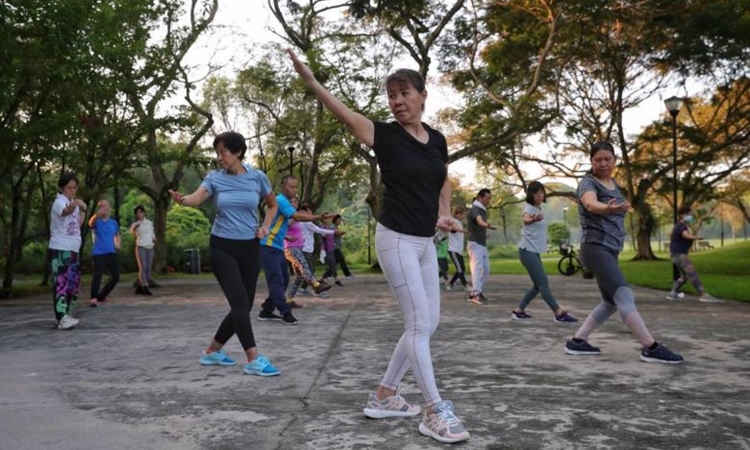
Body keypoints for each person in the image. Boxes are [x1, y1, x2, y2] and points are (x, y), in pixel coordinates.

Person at [289, 49, 470, 444]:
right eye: (391, 95)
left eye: (404, 93)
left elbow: (442, 179)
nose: (397, 101)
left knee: (428, 324)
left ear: (423, 95)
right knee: (419, 324)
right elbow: (344, 113)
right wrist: (311, 82)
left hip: (424, 241)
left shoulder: (437, 140)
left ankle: (386, 394)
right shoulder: (383, 135)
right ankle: (434, 410)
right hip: (396, 240)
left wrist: (443, 213)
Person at [168, 131, 281, 377]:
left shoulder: (257, 177)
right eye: (217, 152)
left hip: (249, 247)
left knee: (245, 305)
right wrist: (183, 200)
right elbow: (197, 198)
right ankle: (253, 358)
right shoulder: (214, 179)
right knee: (239, 302)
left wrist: (266, 227)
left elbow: (273, 205)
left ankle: (212, 352)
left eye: (224, 152)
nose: (219, 157)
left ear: (238, 152)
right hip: (222, 247)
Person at [563, 141, 684, 364]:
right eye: (598, 159)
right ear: (591, 161)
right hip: (595, 247)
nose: (603, 163)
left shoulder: (613, 184)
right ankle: (650, 346)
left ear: (614, 161)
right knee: (624, 295)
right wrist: (606, 208)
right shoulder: (588, 183)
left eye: (607, 159)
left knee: (610, 302)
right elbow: (590, 204)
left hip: (610, 250)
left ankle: (578, 341)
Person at [258, 174, 332, 325]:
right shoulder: (280, 200)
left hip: (277, 246)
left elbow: (280, 225)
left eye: (296, 187)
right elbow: (297, 217)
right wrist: (318, 217)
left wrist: (286, 237)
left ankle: (267, 310)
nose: (294, 190)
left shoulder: (284, 203)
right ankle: (285, 312)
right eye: (291, 187)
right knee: (277, 280)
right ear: (283, 187)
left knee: (284, 279)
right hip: (268, 245)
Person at [512, 181, 578, 322]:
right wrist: (533, 219)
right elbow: (526, 219)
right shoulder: (529, 209)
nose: (539, 195)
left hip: (533, 251)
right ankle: (558, 313)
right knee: (543, 283)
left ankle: (519, 311)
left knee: (537, 286)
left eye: (541, 192)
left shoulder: (538, 208)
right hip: (527, 251)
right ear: (531, 195)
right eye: (536, 193)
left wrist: (536, 218)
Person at [49, 173, 86, 330]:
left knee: (74, 283)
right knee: (61, 282)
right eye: (68, 188)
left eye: (74, 187)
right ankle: (61, 317)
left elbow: (77, 224)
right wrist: (73, 206)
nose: (72, 190)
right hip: (60, 247)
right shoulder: (59, 202)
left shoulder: (73, 203)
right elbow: (64, 212)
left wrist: (82, 209)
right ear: (62, 188)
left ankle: (67, 313)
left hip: (73, 247)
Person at [284, 197, 332, 308]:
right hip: (290, 248)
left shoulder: (297, 216)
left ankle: (289, 300)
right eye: (291, 202)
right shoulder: (287, 216)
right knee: (304, 266)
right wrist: (300, 216)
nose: (294, 204)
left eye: (295, 202)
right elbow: (289, 224)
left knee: (299, 277)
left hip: (298, 247)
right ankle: (316, 285)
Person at [667, 206, 720, 302]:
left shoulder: (679, 225)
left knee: (684, 276)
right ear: (682, 215)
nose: (691, 216)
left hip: (675, 254)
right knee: (692, 273)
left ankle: (673, 293)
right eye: (689, 214)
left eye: (691, 215)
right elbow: (685, 235)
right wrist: (695, 237)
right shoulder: (681, 226)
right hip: (679, 255)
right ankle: (703, 294)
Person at [298, 202, 337, 296]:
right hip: (305, 249)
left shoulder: (304, 221)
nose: (311, 212)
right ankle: (319, 290)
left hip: (307, 249)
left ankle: (302, 288)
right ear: (306, 211)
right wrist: (334, 232)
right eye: (310, 210)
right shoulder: (306, 222)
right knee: (310, 270)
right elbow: (319, 230)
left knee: (310, 270)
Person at [88, 199, 121, 308]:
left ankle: (101, 296)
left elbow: (117, 234)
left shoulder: (113, 223)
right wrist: (97, 214)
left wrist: (118, 244)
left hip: (111, 252)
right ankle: (93, 298)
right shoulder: (96, 220)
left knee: (115, 276)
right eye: (101, 206)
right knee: (98, 275)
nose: (103, 208)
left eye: (105, 206)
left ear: (109, 208)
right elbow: (90, 224)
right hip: (99, 253)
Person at [467, 188, 496, 305]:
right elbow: (479, 222)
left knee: (486, 270)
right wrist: (487, 225)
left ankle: (475, 291)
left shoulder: (482, 209)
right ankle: (476, 294)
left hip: (481, 244)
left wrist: (485, 234)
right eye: (487, 198)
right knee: (477, 269)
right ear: (480, 197)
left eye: (489, 198)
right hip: (475, 244)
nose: (488, 200)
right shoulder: (476, 208)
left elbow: (479, 226)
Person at [130, 205, 156, 296]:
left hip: (150, 247)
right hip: (141, 246)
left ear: (144, 213)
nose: (139, 214)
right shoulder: (136, 224)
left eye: (141, 212)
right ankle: (145, 286)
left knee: (148, 267)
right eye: (137, 213)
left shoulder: (149, 223)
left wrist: (154, 239)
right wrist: (134, 229)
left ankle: (140, 286)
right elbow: (132, 232)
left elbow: (152, 233)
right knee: (143, 267)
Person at [447, 206, 469, 291]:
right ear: (456, 214)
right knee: (460, 269)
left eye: (462, 214)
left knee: (462, 268)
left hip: (459, 251)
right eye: (461, 214)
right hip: (453, 250)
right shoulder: (453, 221)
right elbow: (453, 228)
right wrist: (463, 230)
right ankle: (466, 285)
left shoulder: (459, 222)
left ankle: (450, 284)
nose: (462, 216)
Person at [319, 215, 343, 287]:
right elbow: (323, 236)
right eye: (325, 219)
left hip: (331, 248)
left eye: (328, 219)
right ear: (323, 220)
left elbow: (332, 237)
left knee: (333, 265)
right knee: (333, 264)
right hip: (326, 249)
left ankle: (322, 279)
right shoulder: (322, 228)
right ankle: (336, 280)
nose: (327, 220)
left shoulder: (329, 228)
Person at [332, 214, 354, 279]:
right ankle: (347, 274)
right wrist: (341, 233)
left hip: (337, 246)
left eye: (340, 220)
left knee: (335, 262)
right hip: (334, 247)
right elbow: (333, 234)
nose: (340, 221)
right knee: (342, 260)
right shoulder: (332, 227)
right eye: (338, 220)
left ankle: (328, 274)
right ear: (335, 220)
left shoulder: (336, 227)